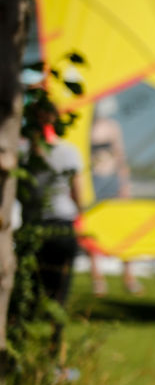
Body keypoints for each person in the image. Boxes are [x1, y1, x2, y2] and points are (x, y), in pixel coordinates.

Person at [23, 105, 83, 371]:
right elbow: (77, 194)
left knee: (28, 295)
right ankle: (54, 362)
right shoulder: (69, 152)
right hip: (62, 227)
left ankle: (19, 359)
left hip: (33, 227)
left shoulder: (22, 151)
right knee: (60, 296)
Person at [87, 96, 141, 295]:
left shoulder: (112, 127)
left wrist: (124, 184)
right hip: (94, 181)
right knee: (93, 229)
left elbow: (120, 156)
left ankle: (129, 276)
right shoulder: (87, 127)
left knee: (125, 227)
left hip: (111, 180)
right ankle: (97, 278)